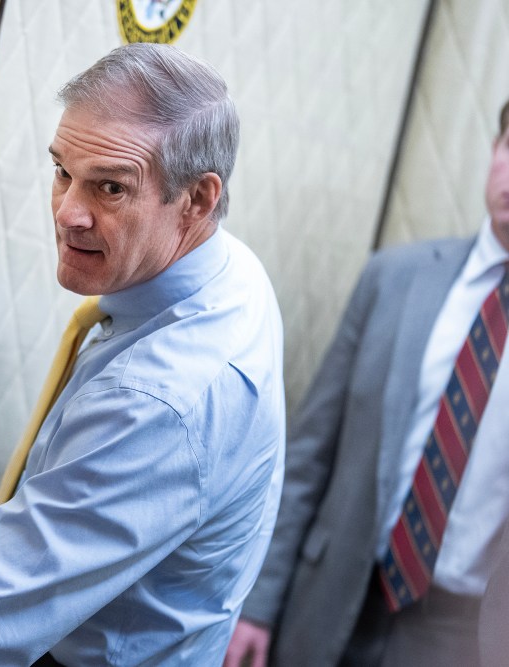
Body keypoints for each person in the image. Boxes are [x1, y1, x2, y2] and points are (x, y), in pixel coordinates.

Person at [0, 44, 285, 666]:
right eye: (63, 172)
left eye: (110, 188)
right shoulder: (228, 270)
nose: (68, 212)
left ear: (198, 201)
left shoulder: (156, 399)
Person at [224, 97, 509, 667]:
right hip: (326, 595)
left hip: (461, 634)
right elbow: (308, 456)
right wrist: (255, 604)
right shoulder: (394, 278)